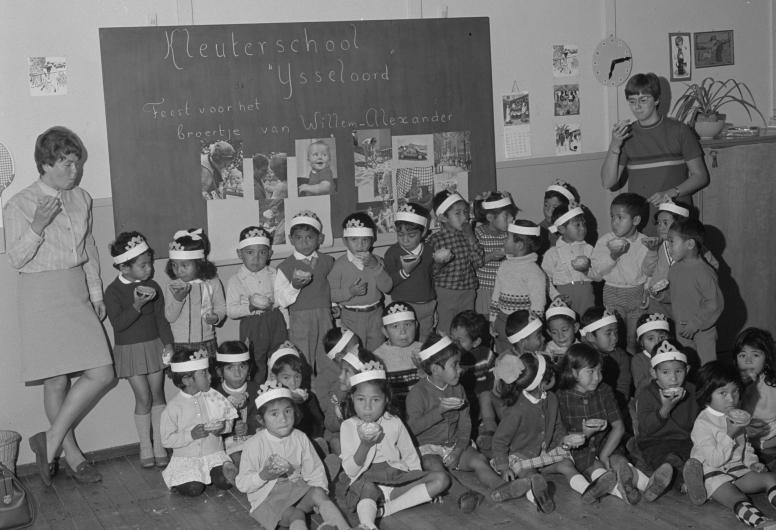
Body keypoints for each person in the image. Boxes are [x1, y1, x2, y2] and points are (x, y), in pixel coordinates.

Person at [5, 126, 114, 485]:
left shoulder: (81, 198)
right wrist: (38, 224)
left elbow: (89, 248)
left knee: (102, 372)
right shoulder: (19, 204)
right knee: (56, 379)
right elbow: (16, 259)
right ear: (45, 164)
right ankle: (72, 454)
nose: (75, 171)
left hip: (75, 288)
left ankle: (49, 440)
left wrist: (96, 293)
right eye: (66, 164)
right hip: (40, 293)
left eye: (76, 163)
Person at [406, 334, 528, 511]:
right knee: (434, 466)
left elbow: (465, 424)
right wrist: (439, 411)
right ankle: (464, 495)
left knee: (479, 459)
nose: (460, 370)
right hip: (427, 448)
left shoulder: (458, 389)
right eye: (454, 365)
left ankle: (502, 487)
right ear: (436, 369)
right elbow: (412, 429)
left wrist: (458, 450)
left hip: (454, 445)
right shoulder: (417, 393)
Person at [556, 343, 672, 505]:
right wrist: (576, 438)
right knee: (595, 468)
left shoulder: (604, 391)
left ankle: (648, 486)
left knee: (619, 461)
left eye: (599, 371)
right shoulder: (561, 397)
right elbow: (561, 434)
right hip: (580, 450)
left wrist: (605, 455)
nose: (597, 377)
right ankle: (620, 491)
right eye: (591, 372)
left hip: (607, 443)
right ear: (574, 372)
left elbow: (618, 427)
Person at [339, 363, 450, 529]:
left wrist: (418, 481)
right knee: (368, 488)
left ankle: (386, 510)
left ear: (386, 400)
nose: (367, 407)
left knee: (442, 479)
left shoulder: (394, 421)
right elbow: (351, 471)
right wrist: (365, 445)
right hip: (366, 480)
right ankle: (368, 525)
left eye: (375, 400)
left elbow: (409, 454)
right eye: (361, 399)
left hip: (396, 479)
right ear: (352, 398)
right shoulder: (348, 426)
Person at [491, 353, 603, 510]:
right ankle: (538, 498)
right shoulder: (516, 410)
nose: (554, 375)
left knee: (566, 464)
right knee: (530, 474)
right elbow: (499, 441)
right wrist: (504, 467)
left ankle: (588, 490)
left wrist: (564, 441)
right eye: (551, 374)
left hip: (545, 452)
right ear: (542, 383)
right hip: (521, 456)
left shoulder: (551, 399)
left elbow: (557, 427)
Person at [235, 380, 352, 530]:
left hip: (297, 490)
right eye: (274, 414)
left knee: (318, 492)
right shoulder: (253, 444)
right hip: (267, 499)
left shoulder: (299, 437)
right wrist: (263, 475)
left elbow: (314, 470)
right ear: (261, 420)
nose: (283, 419)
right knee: (295, 514)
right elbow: (243, 484)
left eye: (287, 411)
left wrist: (319, 496)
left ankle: (343, 527)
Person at [600, 72, 709, 233]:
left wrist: (671, 193)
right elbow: (608, 182)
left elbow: (700, 176)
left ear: (657, 99)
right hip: (641, 221)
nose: (637, 106)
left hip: (675, 221)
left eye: (643, 100)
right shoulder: (626, 135)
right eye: (632, 101)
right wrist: (614, 145)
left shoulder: (679, 131)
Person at [105, 231, 173, 468]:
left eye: (150, 263)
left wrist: (168, 343)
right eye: (143, 265)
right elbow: (118, 324)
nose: (149, 269)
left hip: (153, 346)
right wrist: (137, 304)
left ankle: (159, 445)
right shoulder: (113, 291)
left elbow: (161, 319)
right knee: (143, 398)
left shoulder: (153, 286)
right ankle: (145, 445)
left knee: (157, 394)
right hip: (130, 350)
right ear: (124, 267)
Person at [691, 361, 776, 528]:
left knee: (770, 478)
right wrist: (729, 434)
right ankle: (761, 523)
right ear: (707, 394)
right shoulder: (702, 423)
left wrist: (752, 463)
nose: (731, 398)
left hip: (738, 469)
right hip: (713, 474)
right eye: (723, 393)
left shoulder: (738, 414)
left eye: (735, 391)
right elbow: (715, 460)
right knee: (738, 498)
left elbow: (745, 445)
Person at [634, 339, 705, 503]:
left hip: (685, 440)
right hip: (655, 441)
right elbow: (646, 428)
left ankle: (693, 480)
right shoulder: (646, 393)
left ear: (687, 370)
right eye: (665, 372)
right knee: (665, 460)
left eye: (678, 371)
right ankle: (679, 482)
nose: (673, 378)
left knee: (696, 459)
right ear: (654, 373)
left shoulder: (692, 391)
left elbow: (698, 422)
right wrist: (665, 409)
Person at [160, 348, 237, 496]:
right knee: (194, 489)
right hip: (187, 459)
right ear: (187, 380)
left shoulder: (214, 397)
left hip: (214, 455)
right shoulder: (174, 407)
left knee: (225, 482)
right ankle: (184, 479)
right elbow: (166, 440)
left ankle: (214, 474)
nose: (210, 376)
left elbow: (228, 422)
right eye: (204, 373)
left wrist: (222, 428)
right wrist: (190, 435)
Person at [275, 211, 335, 398]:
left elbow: (332, 285)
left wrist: (333, 304)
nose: (305, 242)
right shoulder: (285, 266)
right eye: (299, 237)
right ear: (291, 239)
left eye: (310, 237)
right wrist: (294, 286)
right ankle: (306, 396)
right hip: (300, 318)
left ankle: (329, 397)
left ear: (319, 239)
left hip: (324, 315)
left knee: (327, 356)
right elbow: (281, 300)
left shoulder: (328, 261)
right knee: (303, 359)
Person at [590, 192, 655, 354]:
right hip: (613, 292)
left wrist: (647, 289)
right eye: (612, 217)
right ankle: (618, 362)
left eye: (620, 217)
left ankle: (633, 362)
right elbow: (598, 271)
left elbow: (650, 271)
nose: (614, 222)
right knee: (615, 336)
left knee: (633, 337)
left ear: (636, 220)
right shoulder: (605, 241)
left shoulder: (645, 242)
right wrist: (613, 256)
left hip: (637, 293)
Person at [226, 226, 287, 384]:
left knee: (280, 359)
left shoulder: (274, 274)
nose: (256, 258)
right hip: (253, 325)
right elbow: (231, 311)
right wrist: (250, 308)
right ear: (240, 254)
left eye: (262, 252)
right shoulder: (235, 280)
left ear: (270, 254)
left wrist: (287, 324)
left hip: (276, 321)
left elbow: (283, 300)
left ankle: (278, 391)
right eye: (250, 252)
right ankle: (255, 392)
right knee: (255, 363)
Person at [642, 200, 719, 316]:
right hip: (658, 300)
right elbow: (648, 271)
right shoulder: (658, 245)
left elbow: (713, 266)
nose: (660, 227)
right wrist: (652, 251)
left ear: (680, 225)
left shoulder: (693, 247)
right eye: (658, 223)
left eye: (665, 222)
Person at [329, 212, 392, 351]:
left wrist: (375, 266)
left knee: (377, 351)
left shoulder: (377, 261)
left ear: (372, 240)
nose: (360, 245)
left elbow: (387, 287)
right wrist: (349, 292)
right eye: (354, 239)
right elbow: (330, 294)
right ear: (345, 241)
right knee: (355, 352)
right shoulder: (339, 265)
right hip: (351, 316)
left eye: (365, 240)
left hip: (376, 314)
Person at [667, 218, 724, 365]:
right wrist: (660, 294)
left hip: (702, 331)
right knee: (687, 364)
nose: (668, 247)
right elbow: (677, 295)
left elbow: (714, 303)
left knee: (707, 367)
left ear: (690, 244)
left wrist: (695, 324)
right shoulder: (674, 269)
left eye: (672, 242)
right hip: (682, 329)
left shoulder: (704, 272)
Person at [427, 190, 484, 333]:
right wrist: (440, 263)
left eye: (465, 212)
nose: (465, 217)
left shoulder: (468, 236)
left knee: (466, 330)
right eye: (458, 213)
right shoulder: (435, 240)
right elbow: (430, 272)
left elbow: (478, 262)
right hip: (445, 293)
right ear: (443, 218)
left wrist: (471, 238)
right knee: (445, 330)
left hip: (468, 292)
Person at [165, 228, 226, 356]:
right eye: (174, 265)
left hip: (206, 340)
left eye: (184, 265)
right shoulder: (172, 285)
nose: (178, 270)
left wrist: (216, 317)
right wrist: (178, 299)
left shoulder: (212, 282)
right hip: (180, 342)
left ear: (199, 263)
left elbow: (221, 307)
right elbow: (170, 317)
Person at [490, 220, 548, 353]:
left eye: (507, 238)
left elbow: (538, 304)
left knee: (520, 356)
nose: (504, 240)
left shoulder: (534, 271)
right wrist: (493, 320)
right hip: (501, 320)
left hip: (522, 325)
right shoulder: (504, 265)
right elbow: (496, 294)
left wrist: (534, 329)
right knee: (502, 355)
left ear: (519, 245)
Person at [383, 203, 436, 343]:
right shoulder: (392, 253)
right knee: (405, 341)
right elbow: (387, 284)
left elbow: (432, 276)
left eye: (411, 235)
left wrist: (441, 263)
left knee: (426, 340)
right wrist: (405, 272)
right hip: (404, 307)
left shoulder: (429, 250)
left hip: (427, 305)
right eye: (400, 234)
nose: (405, 239)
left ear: (423, 232)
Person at [450, 310, 497, 452]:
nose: (455, 344)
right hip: (461, 399)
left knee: (485, 396)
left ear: (476, 342)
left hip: (484, 401)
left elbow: (493, 381)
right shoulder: (450, 357)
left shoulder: (486, 355)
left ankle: (490, 430)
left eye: (460, 340)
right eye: (452, 338)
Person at [212, 341, 259, 484]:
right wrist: (231, 430)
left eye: (242, 366)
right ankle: (238, 473)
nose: (237, 373)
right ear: (220, 371)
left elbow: (264, 417)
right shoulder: (215, 395)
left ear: (249, 368)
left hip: (254, 439)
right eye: (230, 368)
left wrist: (249, 426)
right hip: (228, 445)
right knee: (238, 457)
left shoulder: (257, 390)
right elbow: (214, 425)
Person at [267, 343, 325, 449]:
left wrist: (300, 405)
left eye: (297, 377)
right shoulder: (269, 400)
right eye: (286, 378)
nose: (293, 383)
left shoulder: (309, 398)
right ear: (274, 377)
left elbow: (318, 425)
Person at [541, 204, 595, 316]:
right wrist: (555, 295)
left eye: (584, 224)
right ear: (561, 229)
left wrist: (588, 270)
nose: (583, 228)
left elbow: (598, 273)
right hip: (564, 297)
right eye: (577, 225)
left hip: (587, 294)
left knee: (588, 321)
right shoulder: (552, 253)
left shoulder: (589, 249)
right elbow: (545, 278)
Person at [373, 302, 422, 418]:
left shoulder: (424, 350)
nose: (403, 331)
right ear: (385, 332)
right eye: (395, 326)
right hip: (393, 411)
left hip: (420, 407)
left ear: (416, 325)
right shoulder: (378, 357)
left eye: (408, 324)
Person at [320, 328, 364, 455]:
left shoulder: (364, 368)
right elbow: (329, 420)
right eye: (355, 349)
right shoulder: (327, 380)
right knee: (336, 442)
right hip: (339, 430)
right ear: (340, 357)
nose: (360, 351)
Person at [580, 307, 632, 411]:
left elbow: (623, 390)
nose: (615, 338)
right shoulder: (580, 356)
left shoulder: (621, 357)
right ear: (590, 337)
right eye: (608, 333)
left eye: (616, 332)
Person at [472, 191, 516, 314]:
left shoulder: (508, 235)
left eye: (511, 215)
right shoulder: (478, 235)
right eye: (506, 216)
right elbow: (471, 264)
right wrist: (490, 256)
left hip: (504, 289)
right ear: (490, 218)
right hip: (484, 289)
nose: (512, 219)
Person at [737, 328, 776, 465]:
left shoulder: (771, 383)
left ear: (766, 359)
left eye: (755, 355)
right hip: (742, 436)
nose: (748, 360)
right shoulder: (733, 383)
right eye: (742, 355)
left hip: (771, 435)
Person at [631, 313, 671, 394]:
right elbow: (639, 387)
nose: (657, 342)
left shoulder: (672, 355)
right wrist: (653, 376)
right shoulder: (639, 360)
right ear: (641, 342)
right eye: (651, 339)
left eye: (662, 337)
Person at [537, 180, 577, 255]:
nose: (548, 211)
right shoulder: (539, 231)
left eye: (554, 207)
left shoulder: (574, 229)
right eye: (546, 205)